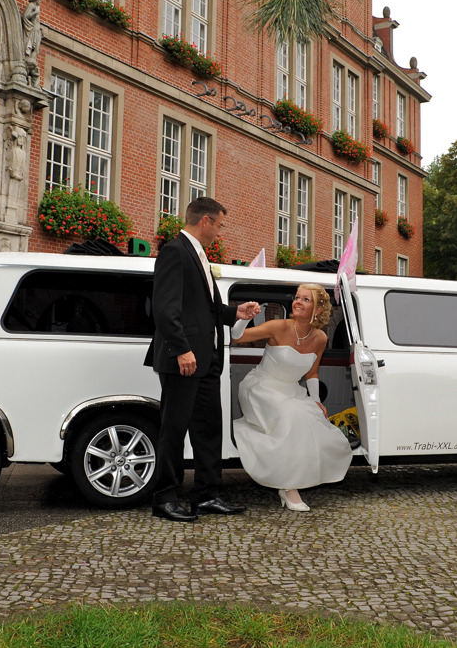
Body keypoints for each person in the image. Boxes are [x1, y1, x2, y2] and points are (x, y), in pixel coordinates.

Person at [145, 197, 261, 522]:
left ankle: (207, 495)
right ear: (206, 221)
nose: (220, 233)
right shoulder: (175, 252)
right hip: (184, 360)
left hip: (207, 361)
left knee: (208, 430)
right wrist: (182, 349)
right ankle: (164, 499)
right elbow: (165, 309)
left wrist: (235, 312)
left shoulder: (200, 256)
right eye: (220, 225)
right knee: (174, 429)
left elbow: (203, 310)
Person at [230, 284, 353, 511]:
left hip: (291, 390)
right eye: (297, 297)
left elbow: (312, 372)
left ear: (317, 310)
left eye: (305, 299)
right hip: (260, 387)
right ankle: (289, 487)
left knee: (314, 421)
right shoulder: (278, 326)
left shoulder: (320, 338)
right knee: (292, 416)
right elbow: (237, 337)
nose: (297, 302)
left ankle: (294, 476)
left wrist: (316, 400)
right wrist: (245, 317)